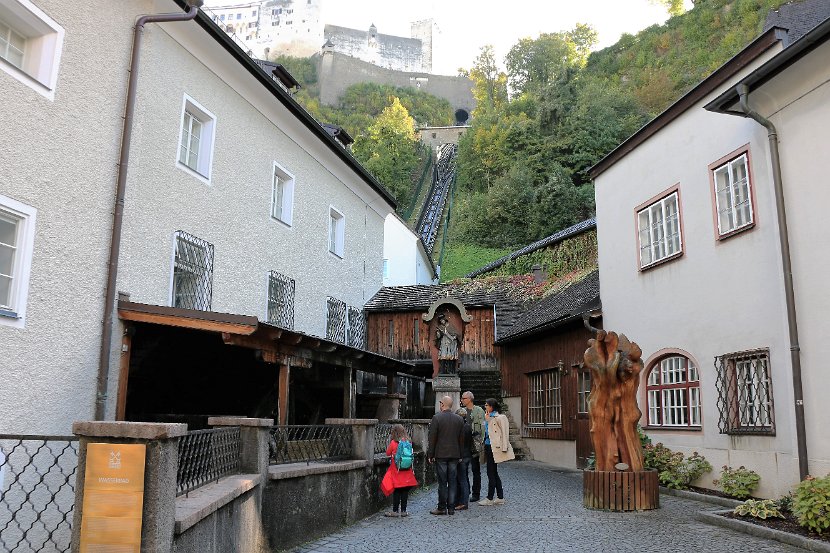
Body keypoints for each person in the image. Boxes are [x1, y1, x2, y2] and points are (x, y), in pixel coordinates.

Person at [427, 395, 464, 515]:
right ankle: (451, 508)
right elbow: (461, 439)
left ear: (442, 404)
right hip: (454, 454)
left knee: (443, 482)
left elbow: (432, 438)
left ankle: (442, 507)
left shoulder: (436, 418)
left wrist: (430, 454)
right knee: (452, 481)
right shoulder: (459, 419)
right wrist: (460, 454)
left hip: (441, 454)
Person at [478, 398, 514, 506]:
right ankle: (500, 497)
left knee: (491, 472)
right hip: (488, 446)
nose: (485, 407)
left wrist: (504, 447)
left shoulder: (500, 417)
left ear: (492, 406)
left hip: (495, 448)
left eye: (487, 405)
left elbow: (504, 433)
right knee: (493, 472)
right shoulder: (487, 417)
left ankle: (490, 498)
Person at [381, 424, 418, 517]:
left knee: (397, 491)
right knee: (405, 491)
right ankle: (404, 511)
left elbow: (388, 453)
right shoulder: (408, 442)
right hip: (407, 469)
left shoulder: (394, 443)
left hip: (396, 470)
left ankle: (395, 511)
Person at [460, 390, 485, 501]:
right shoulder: (461, 411)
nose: (461, 400)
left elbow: (483, 427)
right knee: (464, 470)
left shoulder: (479, 410)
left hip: (475, 445)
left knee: (476, 470)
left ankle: (476, 493)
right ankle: (466, 491)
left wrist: (481, 442)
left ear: (469, 399)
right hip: (464, 445)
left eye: (463, 398)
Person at [454, 408, 473, 511]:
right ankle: (461, 500)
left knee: (462, 479)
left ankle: (463, 502)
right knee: (463, 478)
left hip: (462, 456)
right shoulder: (467, 426)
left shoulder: (461, 427)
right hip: (467, 455)